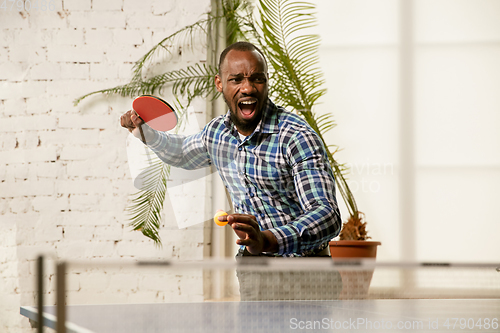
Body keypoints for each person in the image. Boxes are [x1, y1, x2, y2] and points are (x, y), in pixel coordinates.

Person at [121, 41, 342, 299]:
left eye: (257, 79)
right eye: (236, 79)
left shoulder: (296, 136)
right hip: (253, 269)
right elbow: (182, 152)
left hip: (306, 272)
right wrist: (143, 132)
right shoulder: (217, 133)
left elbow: (327, 215)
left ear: (266, 82)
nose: (247, 87)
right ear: (220, 84)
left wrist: (268, 240)